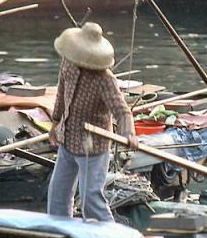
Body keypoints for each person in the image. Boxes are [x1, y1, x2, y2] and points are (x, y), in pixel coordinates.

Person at [47, 22, 138, 222]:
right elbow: (61, 94)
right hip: (68, 137)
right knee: (57, 195)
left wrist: (128, 134)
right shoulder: (68, 63)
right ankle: (60, 232)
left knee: (91, 198)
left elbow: (122, 110)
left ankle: (110, 236)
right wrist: (55, 124)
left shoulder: (104, 79)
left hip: (93, 145)